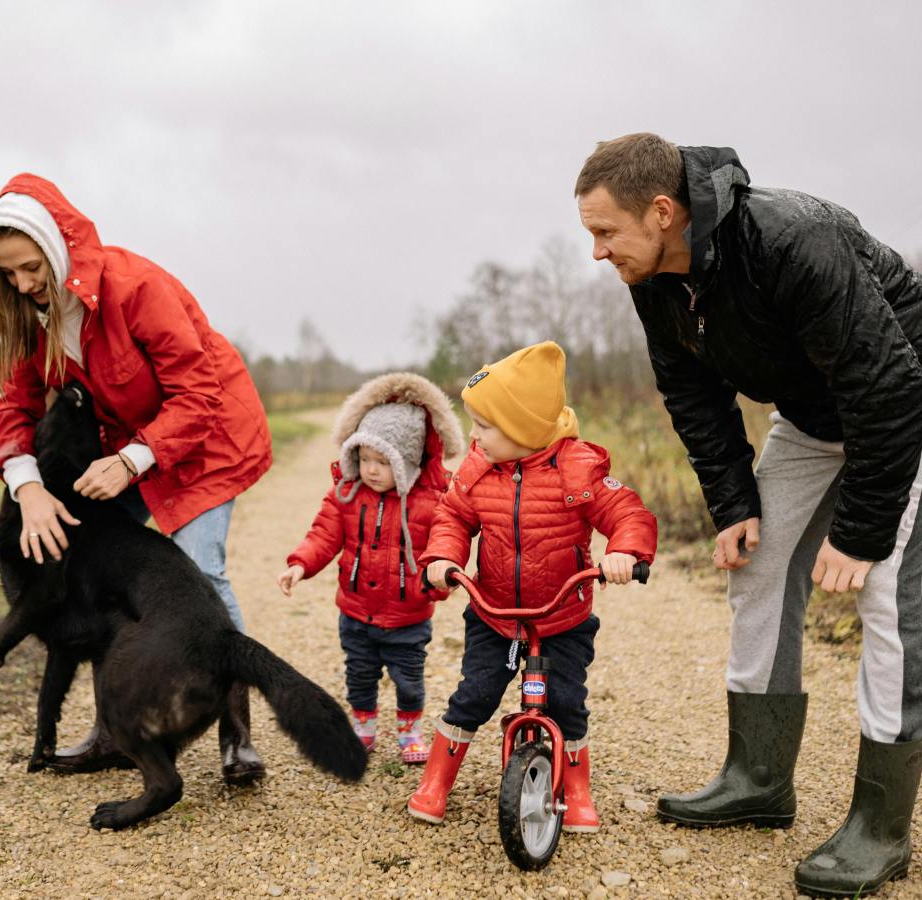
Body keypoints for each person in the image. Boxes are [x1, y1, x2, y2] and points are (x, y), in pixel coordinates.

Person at [575, 132, 922, 896]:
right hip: (809, 419)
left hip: (904, 408)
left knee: (888, 599)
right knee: (756, 564)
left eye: (605, 232)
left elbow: (888, 383)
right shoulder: (652, 278)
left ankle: (881, 828)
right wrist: (732, 500)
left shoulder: (793, 238)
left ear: (662, 211)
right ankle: (758, 777)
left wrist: (860, 532)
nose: (597, 252)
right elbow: (691, 394)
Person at [0, 173, 273, 785]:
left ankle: (236, 732)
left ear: (55, 248)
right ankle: (112, 727)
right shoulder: (36, 317)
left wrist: (133, 460)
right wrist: (28, 489)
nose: (22, 285)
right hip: (125, 448)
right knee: (96, 574)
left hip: (207, 438)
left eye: (30, 268)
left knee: (199, 568)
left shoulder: (137, 288)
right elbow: (14, 409)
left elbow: (196, 393)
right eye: (8, 274)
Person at [407, 341, 657, 831]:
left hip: (562, 617)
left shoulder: (578, 468)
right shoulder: (477, 472)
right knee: (475, 694)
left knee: (566, 702)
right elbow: (452, 519)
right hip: (495, 615)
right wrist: (442, 558)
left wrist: (625, 550)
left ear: (522, 429)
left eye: (484, 426)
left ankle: (577, 789)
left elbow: (627, 510)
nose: (474, 438)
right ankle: (435, 782)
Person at [277, 372, 462, 764]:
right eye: (364, 459)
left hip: (408, 616)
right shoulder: (346, 495)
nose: (372, 470)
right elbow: (322, 535)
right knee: (359, 675)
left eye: (383, 461)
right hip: (356, 612)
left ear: (408, 462)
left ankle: (409, 728)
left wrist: (439, 582)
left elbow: (444, 548)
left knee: (408, 680)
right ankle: (363, 724)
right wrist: (300, 564)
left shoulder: (430, 504)